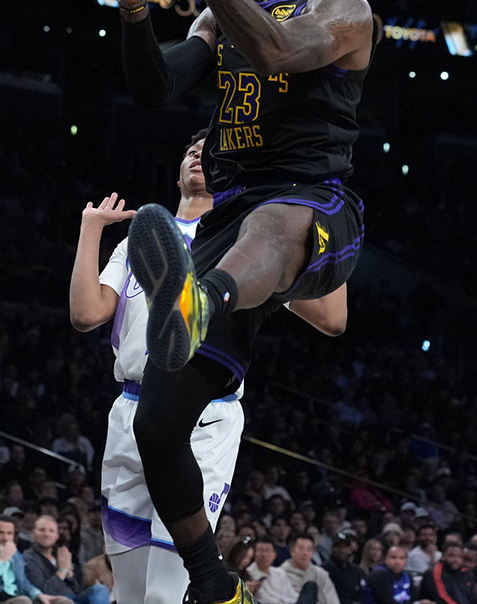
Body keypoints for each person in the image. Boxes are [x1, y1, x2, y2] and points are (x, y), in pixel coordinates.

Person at [107, 0, 374, 604]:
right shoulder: (223, 9)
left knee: (273, 218)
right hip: (231, 215)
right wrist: (134, 11)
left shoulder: (344, 7)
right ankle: (215, 583)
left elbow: (280, 51)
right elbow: (156, 88)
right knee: (157, 422)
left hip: (314, 201)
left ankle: (199, 301)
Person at [67, 132, 346, 604]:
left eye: (211, 150)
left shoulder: (249, 243)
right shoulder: (142, 238)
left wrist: (316, 234)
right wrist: (90, 227)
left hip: (202, 417)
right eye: (190, 150)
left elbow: (332, 317)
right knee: (129, 595)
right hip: (130, 413)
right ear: (178, 172)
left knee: (164, 594)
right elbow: (85, 314)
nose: (198, 154)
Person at [0, 516, 66, 604]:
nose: (5, 538)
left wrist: (38, 594)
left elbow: (23, 582)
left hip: (16, 595)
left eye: (9, 533)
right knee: (23, 601)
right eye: (0, 533)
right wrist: (2, 561)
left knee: (62, 602)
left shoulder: (15, 554)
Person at [256, 534, 338, 604]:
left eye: (309, 549)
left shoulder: (321, 574)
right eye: (301, 548)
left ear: (312, 553)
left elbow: (332, 600)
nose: (305, 553)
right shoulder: (280, 574)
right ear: (292, 551)